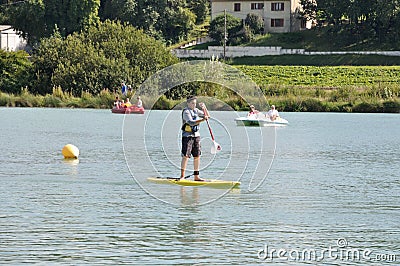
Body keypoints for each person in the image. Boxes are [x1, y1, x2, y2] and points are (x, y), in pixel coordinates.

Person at [180, 96, 209, 181]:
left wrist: (204, 108)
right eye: (192, 103)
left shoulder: (196, 110)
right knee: (185, 156)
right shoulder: (186, 112)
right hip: (187, 137)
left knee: (197, 156)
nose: (194, 105)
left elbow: (207, 116)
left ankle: (196, 176)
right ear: (188, 103)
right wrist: (202, 120)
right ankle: (182, 176)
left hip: (196, 136)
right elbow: (191, 123)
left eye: (195, 103)